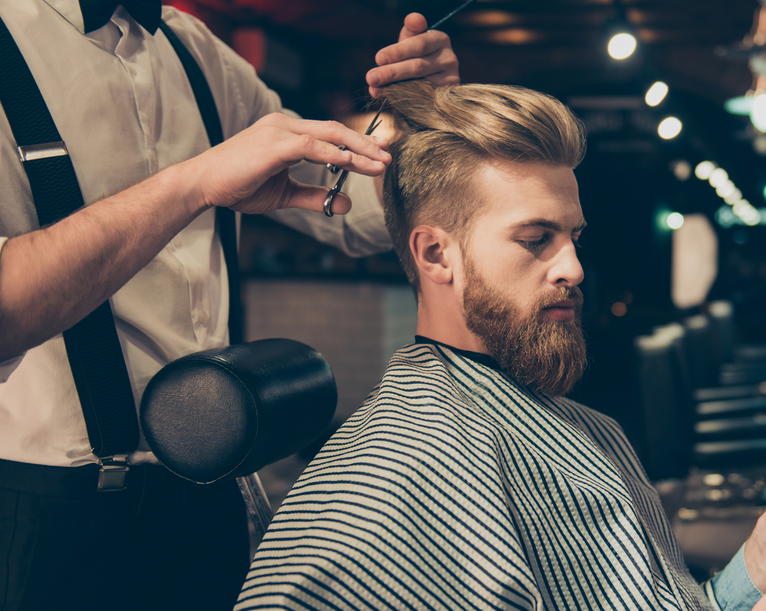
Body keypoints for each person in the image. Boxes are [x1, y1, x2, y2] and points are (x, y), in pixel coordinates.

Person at [236, 79, 766, 611]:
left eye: (574, 238)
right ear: (435, 254)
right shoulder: (391, 479)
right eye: (536, 239)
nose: (571, 267)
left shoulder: (589, 430)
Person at [0, 2, 458, 609]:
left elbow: (356, 212)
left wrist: (423, 123)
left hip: (212, 493)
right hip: (51, 508)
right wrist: (193, 182)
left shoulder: (194, 49)